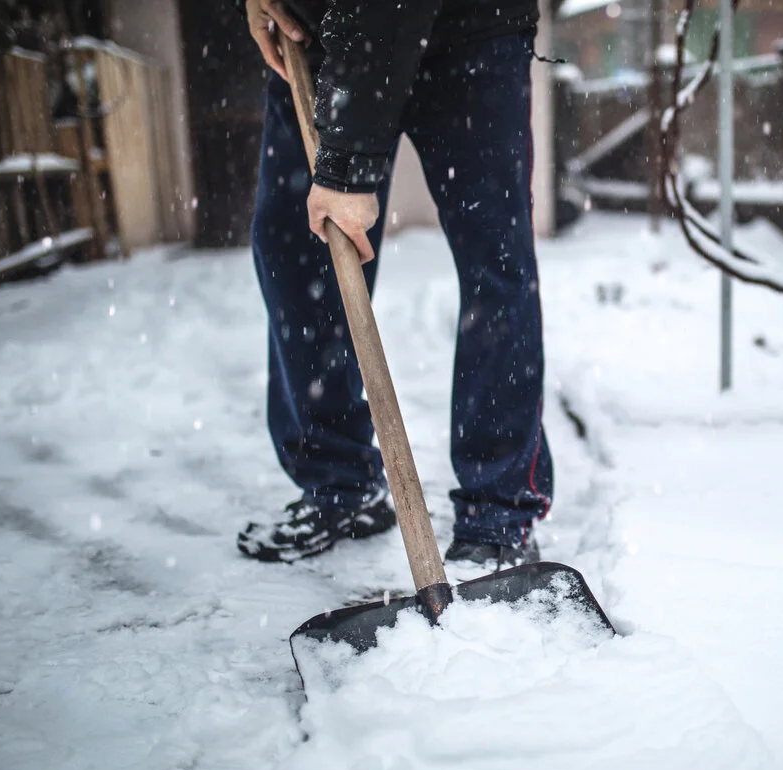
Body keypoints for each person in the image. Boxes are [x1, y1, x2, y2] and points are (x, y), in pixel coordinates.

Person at [235, 0, 551, 567]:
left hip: (472, 31)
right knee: (297, 252)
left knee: (494, 261)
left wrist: (348, 168)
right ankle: (340, 483)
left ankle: (499, 509)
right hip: (315, 35)